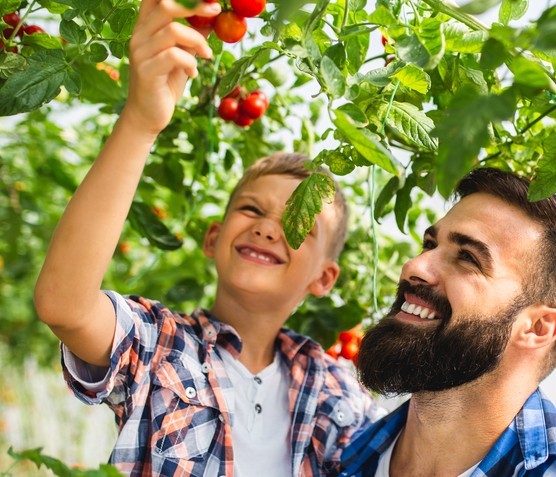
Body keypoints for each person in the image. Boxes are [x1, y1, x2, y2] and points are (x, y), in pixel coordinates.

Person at [33, 0, 375, 475]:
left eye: (298, 224)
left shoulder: (339, 390)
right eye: (251, 209)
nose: (266, 227)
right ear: (213, 238)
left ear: (325, 278)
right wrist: (140, 121)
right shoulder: (161, 346)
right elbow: (64, 306)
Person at [338, 168, 556, 477]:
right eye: (430, 244)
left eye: (468, 258)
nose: (413, 266)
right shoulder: (339, 453)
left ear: (537, 328)